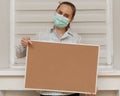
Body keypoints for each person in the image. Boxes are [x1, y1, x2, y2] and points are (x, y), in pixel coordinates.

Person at [16, 1, 96, 96]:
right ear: (56, 12)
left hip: (70, 93)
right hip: (47, 93)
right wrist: (24, 44)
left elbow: (82, 67)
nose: (62, 17)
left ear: (71, 19)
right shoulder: (41, 36)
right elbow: (19, 54)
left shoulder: (76, 39)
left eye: (66, 15)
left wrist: (90, 86)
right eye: (60, 13)